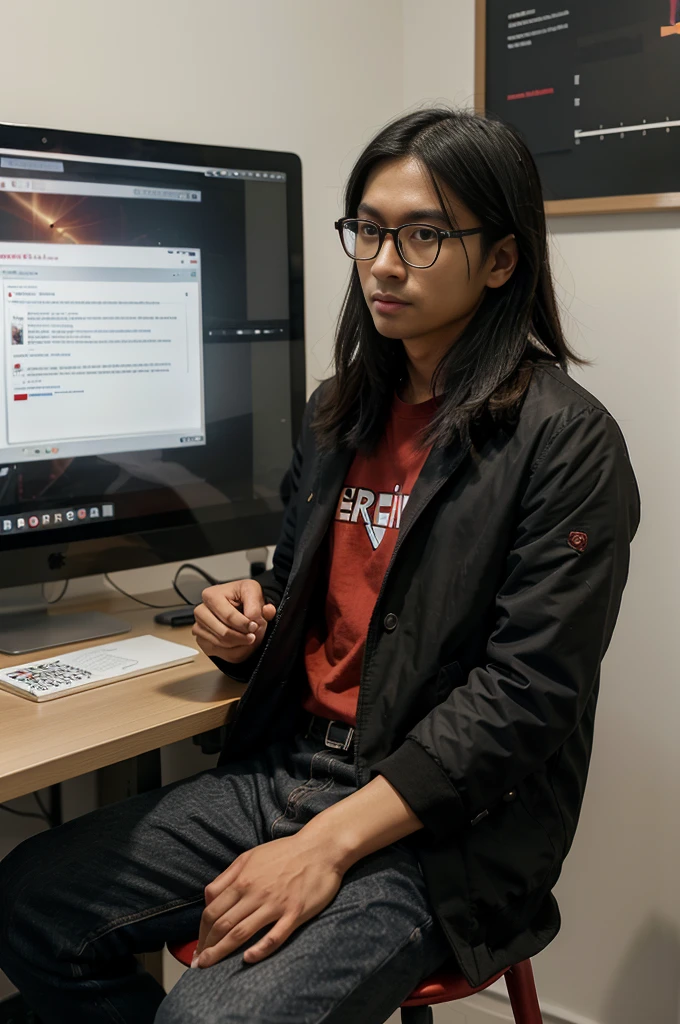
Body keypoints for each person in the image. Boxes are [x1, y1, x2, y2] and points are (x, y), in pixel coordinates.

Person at [0, 108, 640, 1024]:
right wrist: (241, 623)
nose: (384, 262)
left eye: (425, 235)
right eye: (371, 230)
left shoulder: (566, 443)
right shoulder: (340, 411)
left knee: (211, 1018)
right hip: (286, 769)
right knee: (31, 902)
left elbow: (527, 697)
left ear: (501, 260)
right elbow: (301, 589)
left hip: (440, 829)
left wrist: (328, 844)